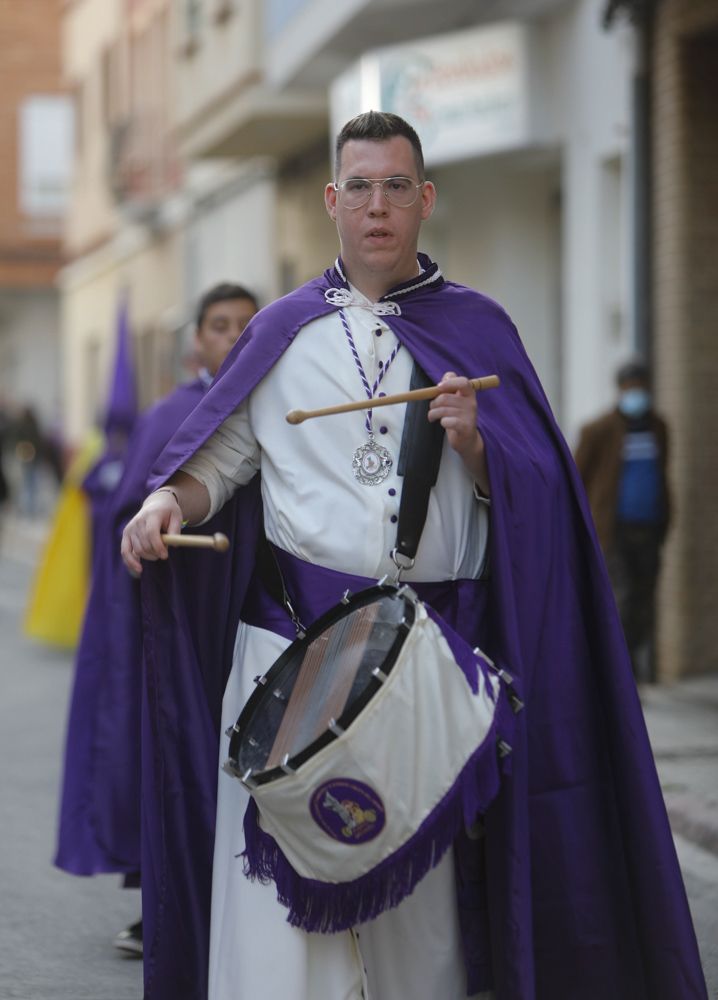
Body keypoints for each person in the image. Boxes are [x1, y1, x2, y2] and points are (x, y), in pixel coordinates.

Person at [122, 113, 707, 1000]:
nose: (377, 206)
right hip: (287, 656)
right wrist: (166, 500)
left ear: (426, 198)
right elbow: (219, 465)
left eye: (397, 186)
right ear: (332, 201)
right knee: (283, 929)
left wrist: (477, 448)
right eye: (359, 187)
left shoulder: (477, 329)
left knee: (421, 928)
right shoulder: (280, 332)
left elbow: (541, 502)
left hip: (420, 663)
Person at [55, 283, 259, 958]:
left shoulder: (275, 401)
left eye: (244, 326)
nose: (232, 337)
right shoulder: (170, 414)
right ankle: (163, 902)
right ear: (196, 340)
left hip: (252, 613)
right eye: (220, 325)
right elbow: (125, 515)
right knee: (175, 749)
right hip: (183, 613)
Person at [575, 359, 671, 681]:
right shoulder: (598, 430)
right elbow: (578, 478)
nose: (637, 395)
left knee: (644, 600)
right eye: (631, 389)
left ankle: (628, 669)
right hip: (613, 531)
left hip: (650, 527)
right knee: (622, 599)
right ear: (620, 391)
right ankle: (621, 676)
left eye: (641, 388)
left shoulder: (658, 427)